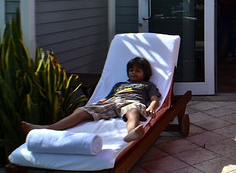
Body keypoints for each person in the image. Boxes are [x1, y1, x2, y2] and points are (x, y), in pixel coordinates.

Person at [21, 57, 160, 143]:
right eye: (131, 70)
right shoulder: (120, 84)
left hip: (132, 102)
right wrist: (101, 102)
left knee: (133, 112)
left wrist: (152, 106)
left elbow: (154, 98)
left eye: (137, 71)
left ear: (145, 73)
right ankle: (48, 128)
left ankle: (131, 133)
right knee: (81, 111)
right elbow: (110, 97)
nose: (133, 73)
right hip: (113, 102)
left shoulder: (147, 85)